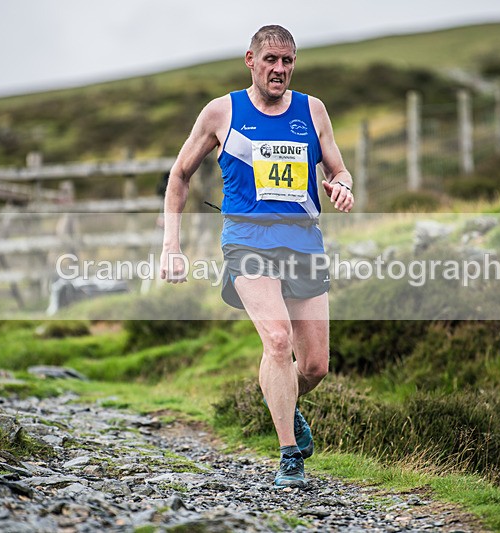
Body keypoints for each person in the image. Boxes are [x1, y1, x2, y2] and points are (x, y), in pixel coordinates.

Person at [159, 25, 354, 489]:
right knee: (277, 339)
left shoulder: (313, 110)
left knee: (314, 366)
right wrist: (172, 245)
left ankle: (280, 394)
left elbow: (339, 167)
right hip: (247, 242)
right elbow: (179, 174)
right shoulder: (222, 112)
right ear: (251, 59)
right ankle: (290, 454)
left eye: (288, 61)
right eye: (271, 60)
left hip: (304, 243)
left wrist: (343, 185)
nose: (280, 70)